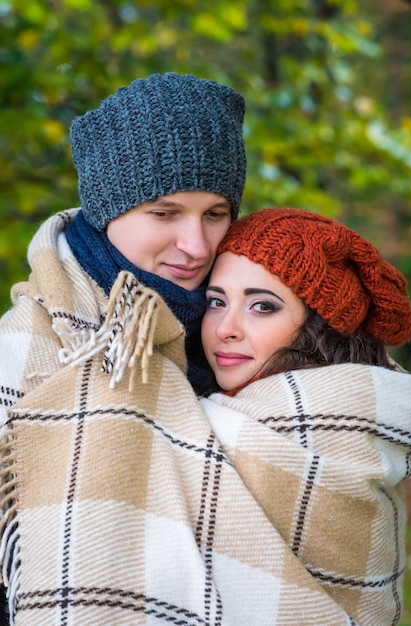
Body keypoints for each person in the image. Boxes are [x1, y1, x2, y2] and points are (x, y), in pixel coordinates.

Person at [0, 72, 246, 624]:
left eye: (215, 214)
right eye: (164, 213)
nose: (196, 245)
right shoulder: (22, 352)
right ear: (109, 211)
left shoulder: (249, 330)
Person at [198, 207, 411, 624]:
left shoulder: (330, 429)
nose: (225, 327)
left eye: (262, 306)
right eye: (216, 301)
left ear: (318, 328)